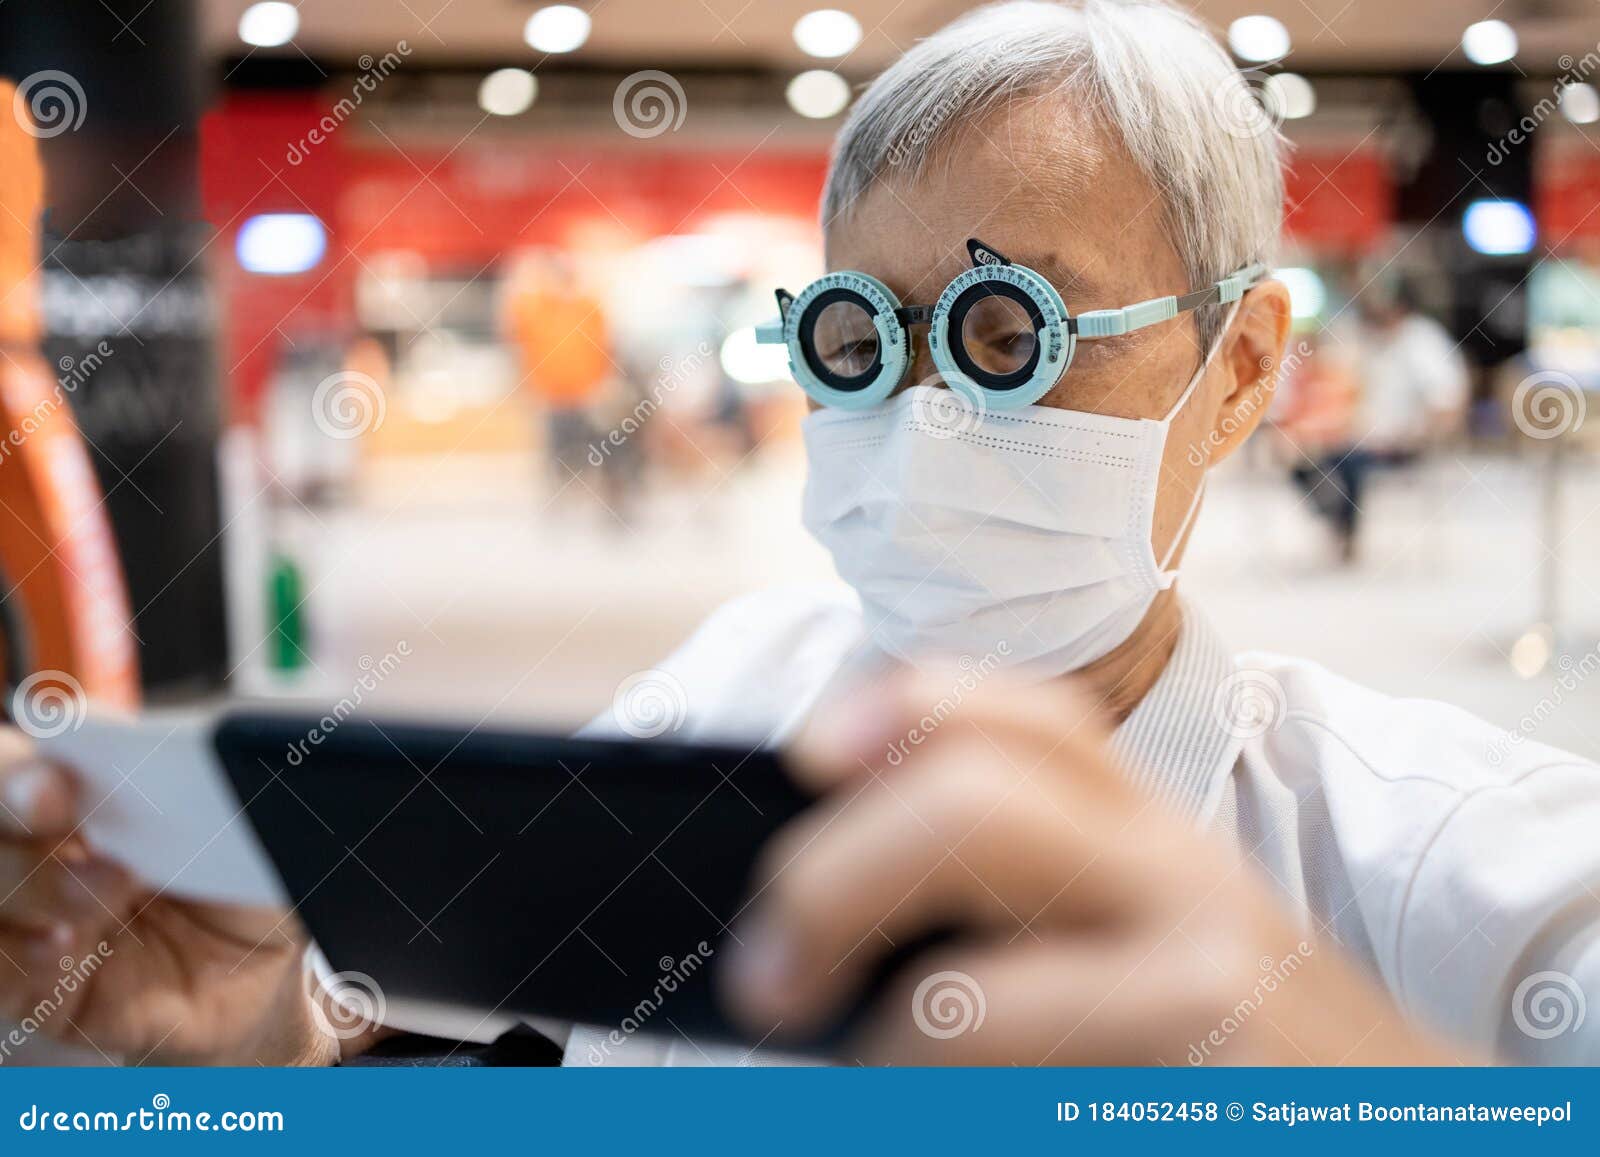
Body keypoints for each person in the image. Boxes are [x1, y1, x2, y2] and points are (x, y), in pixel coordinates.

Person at [1, 0, 1594, 1069]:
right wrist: (295, 1036)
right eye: (858, 339)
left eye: (1000, 331)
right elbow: (554, 1087)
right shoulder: (715, 707)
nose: (918, 412)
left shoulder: (1455, 873)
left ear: (1240, 367)